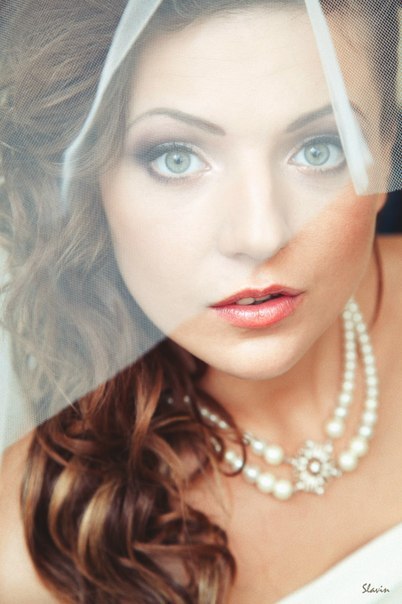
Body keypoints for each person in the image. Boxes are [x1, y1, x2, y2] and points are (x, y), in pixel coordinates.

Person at [0, 1, 401, 602]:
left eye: (320, 148)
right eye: (177, 158)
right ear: (89, 183)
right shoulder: (31, 551)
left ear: (386, 152)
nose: (258, 235)